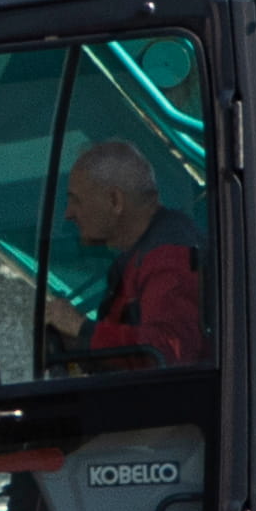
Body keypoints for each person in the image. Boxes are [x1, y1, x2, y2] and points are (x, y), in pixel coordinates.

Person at [40, 137, 208, 368]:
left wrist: (82, 328)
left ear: (115, 200)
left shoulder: (170, 254)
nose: (68, 214)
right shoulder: (134, 261)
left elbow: (169, 352)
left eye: (76, 201)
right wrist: (78, 344)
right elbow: (129, 363)